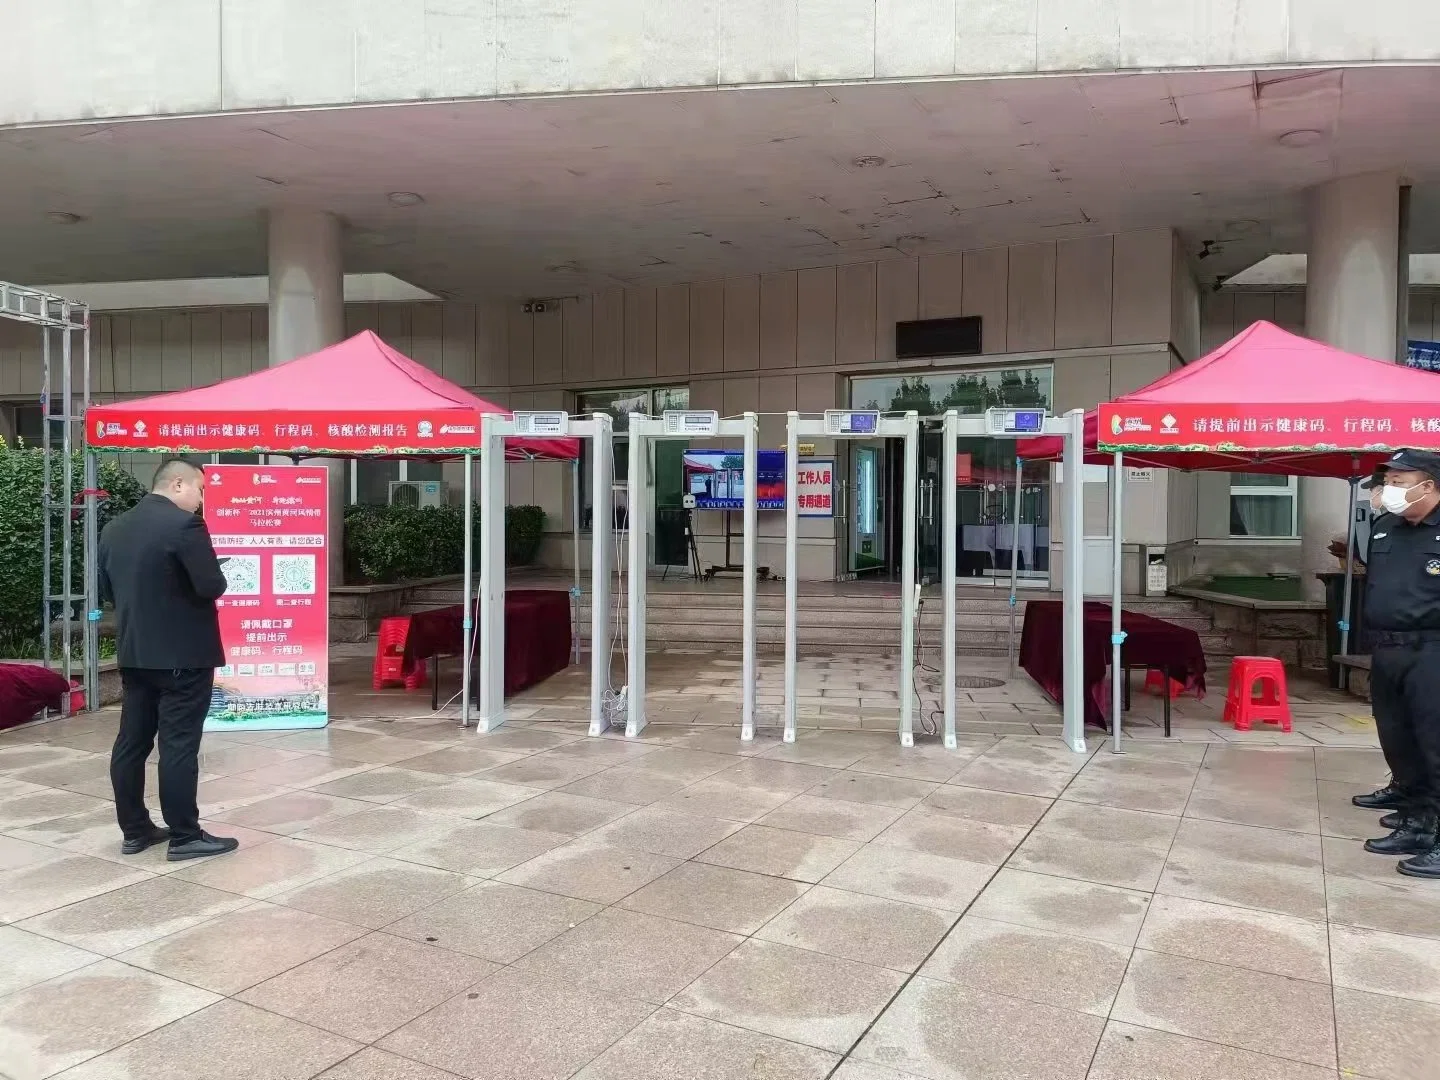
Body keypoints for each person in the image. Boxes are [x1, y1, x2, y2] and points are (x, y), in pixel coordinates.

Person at [99, 458, 238, 862]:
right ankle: (184, 836)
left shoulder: (114, 528)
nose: (200, 501)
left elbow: (111, 589)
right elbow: (212, 585)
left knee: (131, 743)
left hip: (135, 653)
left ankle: (136, 830)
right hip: (184, 656)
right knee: (178, 745)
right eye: (200, 490)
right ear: (178, 483)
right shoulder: (185, 526)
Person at [1356, 449, 1440, 878]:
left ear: (1428, 486)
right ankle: (1417, 822)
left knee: (1434, 744)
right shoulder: (1385, 527)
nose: (1388, 490)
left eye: (1399, 481)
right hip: (1388, 649)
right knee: (1398, 738)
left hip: (1432, 651)